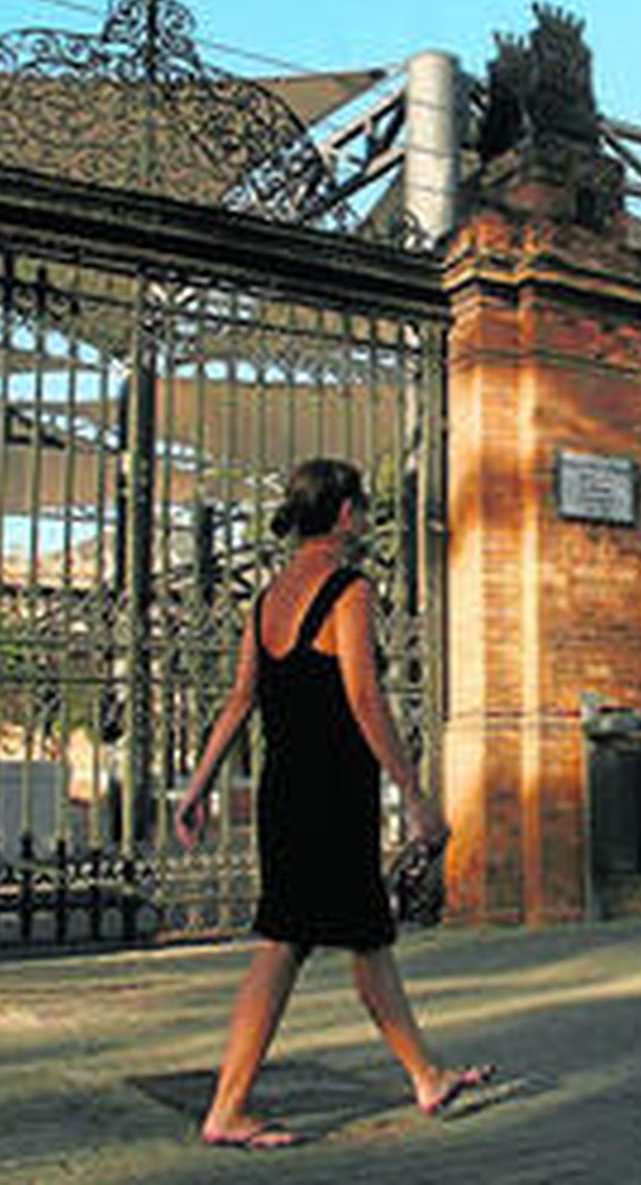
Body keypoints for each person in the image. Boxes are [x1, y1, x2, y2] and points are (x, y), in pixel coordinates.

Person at [174, 458, 492, 1150]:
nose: (366, 515)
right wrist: (414, 794)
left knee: (363, 938)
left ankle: (427, 1075)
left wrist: (196, 785)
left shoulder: (266, 600)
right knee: (289, 942)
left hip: (285, 791)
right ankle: (227, 1107)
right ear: (345, 513)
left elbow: (239, 700)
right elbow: (364, 698)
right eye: (363, 505)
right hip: (333, 794)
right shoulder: (349, 590)